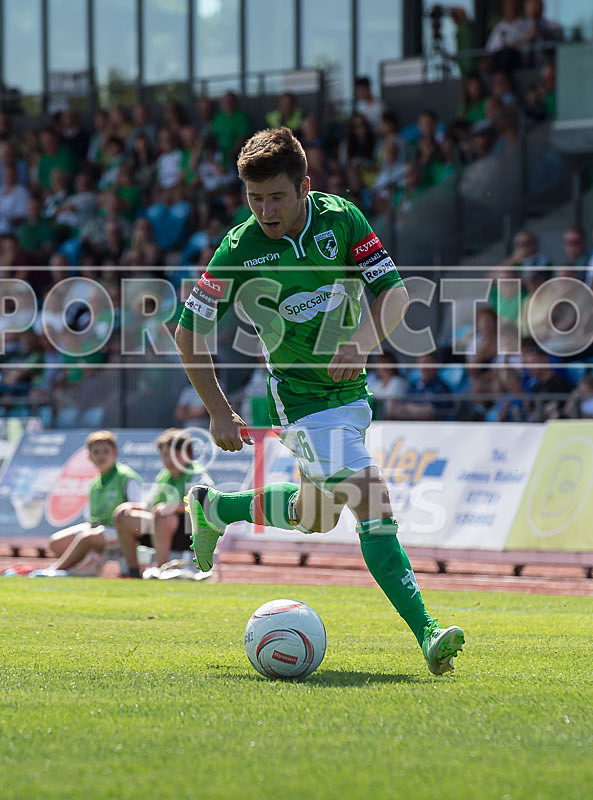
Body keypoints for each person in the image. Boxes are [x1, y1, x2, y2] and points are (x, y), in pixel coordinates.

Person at [175, 126, 464, 676]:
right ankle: (428, 632)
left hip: (351, 395)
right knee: (370, 500)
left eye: (277, 196)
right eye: (254, 199)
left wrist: (363, 341)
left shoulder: (342, 218)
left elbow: (396, 295)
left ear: (304, 186)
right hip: (300, 401)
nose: (265, 210)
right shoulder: (238, 249)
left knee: (314, 515)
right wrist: (217, 408)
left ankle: (215, 508)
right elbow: (188, 331)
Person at [34, 431, 143, 577]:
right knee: (56, 542)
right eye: (96, 452)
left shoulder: (126, 477)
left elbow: (138, 512)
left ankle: (57, 570)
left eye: (106, 451)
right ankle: (88, 565)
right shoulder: (94, 483)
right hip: (98, 530)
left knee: (87, 538)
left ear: (115, 453)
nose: (101, 456)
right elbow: (90, 517)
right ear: (89, 457)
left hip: (121, 533)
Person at [114, 428, 211, 572]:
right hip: (160, 529)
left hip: (191, 534)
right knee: (122, 515)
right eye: (166, 455)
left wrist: (174, 507)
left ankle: (161, 569)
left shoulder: (197, 475)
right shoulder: (164, 476)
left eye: (176, 455)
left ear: (188, 455)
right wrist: (130, 506)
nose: (170, 460)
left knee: (164, 515)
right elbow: (150, 505)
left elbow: (203, 506)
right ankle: (132, 571)